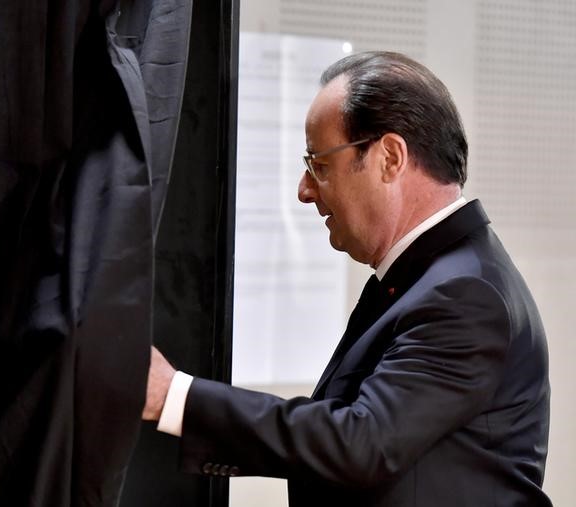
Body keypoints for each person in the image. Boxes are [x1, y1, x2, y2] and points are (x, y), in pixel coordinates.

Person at [142, 51, 552, 506]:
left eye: (319, 163)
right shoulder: (432, 278)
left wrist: (173, 395)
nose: (303, 189)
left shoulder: (465, 294)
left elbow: (361, 442)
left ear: (389, 158)